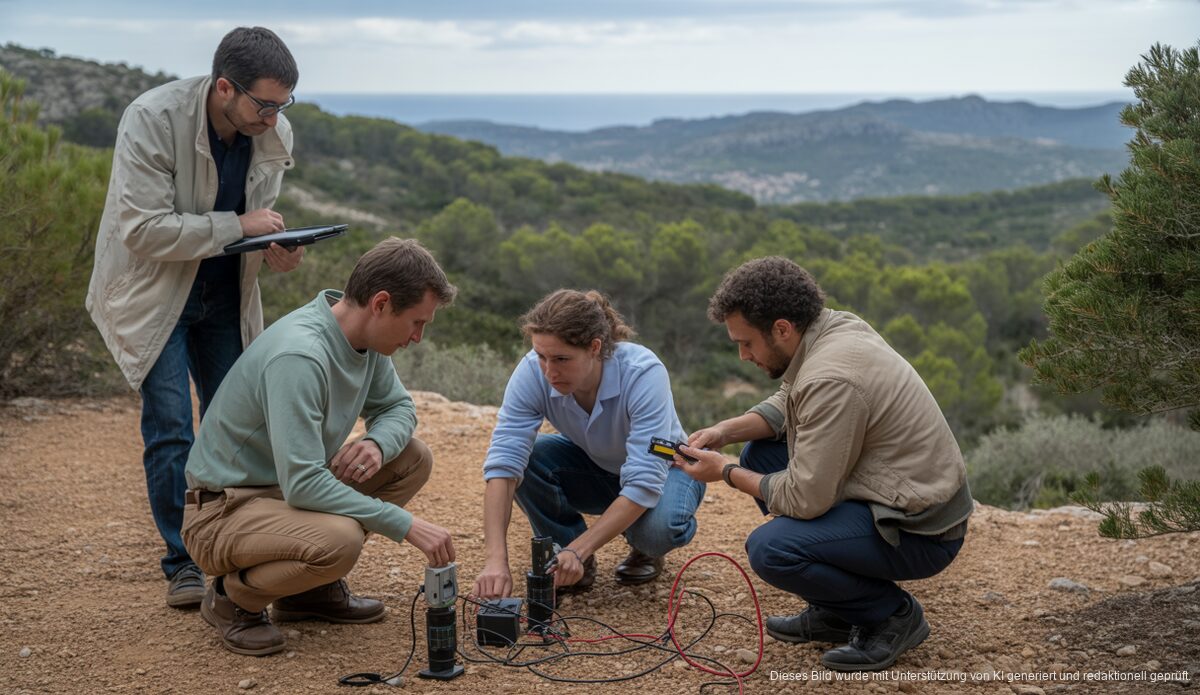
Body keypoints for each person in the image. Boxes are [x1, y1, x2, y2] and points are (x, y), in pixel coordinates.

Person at [85, 26, 306, 608]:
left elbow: (254, 225)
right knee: (171, 428)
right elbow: (141, 230)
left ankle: (232, 548)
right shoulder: (153, 118)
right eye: (265, 104)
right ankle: (181, 562)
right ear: (225, 87)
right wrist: (241, 227)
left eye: (284, 104)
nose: (275, 117)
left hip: (226, 296)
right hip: (155, 295)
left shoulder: (271, 128)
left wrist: (275, 249)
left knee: (235, 428)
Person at [674, 257, 973, 672]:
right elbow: (791, 399)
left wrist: (723, 471)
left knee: (772, 549)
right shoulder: (832, 328)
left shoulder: (831, 376)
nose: (743, 356)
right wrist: (726, 431)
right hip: (896, 493)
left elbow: (804, 497)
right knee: (759, 453)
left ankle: (891, 616)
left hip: (919, 530)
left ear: (782, 328)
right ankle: (838, 608)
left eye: (746, 343)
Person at [181, 237, 458, 656]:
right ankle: (233, 598)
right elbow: (304, 485)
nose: (417, 336)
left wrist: (378, 444)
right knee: (339, 541)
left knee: (411, 458)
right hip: (223, 510)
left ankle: (306, 593)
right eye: (417, 322)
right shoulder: (302, 356)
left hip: (281, 494)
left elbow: (399, 407)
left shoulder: (364, 340)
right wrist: (405, 524)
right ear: (381, 303)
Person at [473, 290, 705, 601]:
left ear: (595, 347)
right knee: (526, 460)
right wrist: (495, 562)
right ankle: (567, 555)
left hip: (669, 468)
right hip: (596, 467)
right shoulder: (533, 371)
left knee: (655, 532)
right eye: (541, 356)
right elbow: (503, 465)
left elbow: (644, 480)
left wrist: (579, 549)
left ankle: (638, 548)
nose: (548, 371)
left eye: (561, 359)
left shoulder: (643, 372)